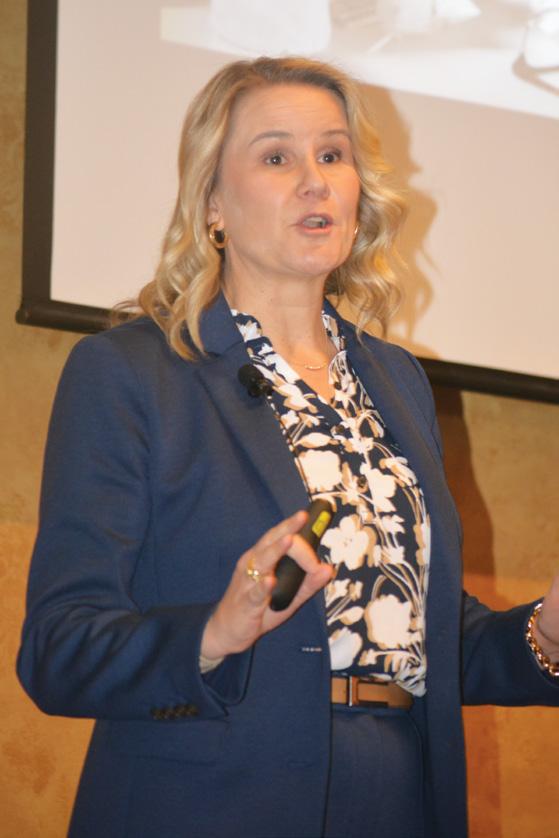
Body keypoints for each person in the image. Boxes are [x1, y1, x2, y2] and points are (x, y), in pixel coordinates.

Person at [17, 56, 559, 838]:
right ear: (212, 203)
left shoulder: (395, 379)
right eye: (276, 158)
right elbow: (59, 647)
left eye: (332, 155)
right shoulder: (134, 373)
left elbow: (416, 633)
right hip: (210, 801)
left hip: (398, 793)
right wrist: (215, 630)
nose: (315, 181)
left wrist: (542, 635)